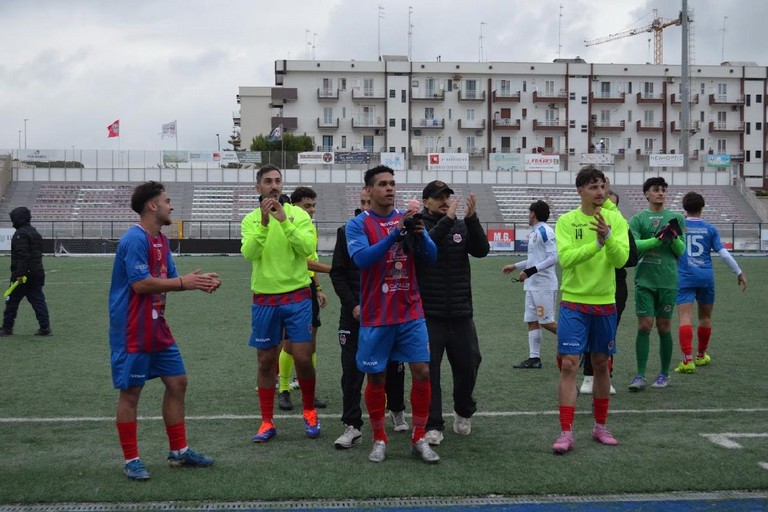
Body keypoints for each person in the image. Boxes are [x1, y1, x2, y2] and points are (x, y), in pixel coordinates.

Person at [109, 181, 221, 480]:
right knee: (131, 393)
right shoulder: (135, 239)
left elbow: (172, 279)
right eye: (167, 201)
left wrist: (200, 282)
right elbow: (140, 284)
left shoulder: (160, 240)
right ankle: (131, 459)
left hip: (157, 326)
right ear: (152, 206)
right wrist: (184, 282)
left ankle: (179, 451)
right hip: (133, 328)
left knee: (178, 382)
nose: (172, 206)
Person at [346, 165, 440, 464]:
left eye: (392, 184)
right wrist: (394, 236)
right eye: (382, 184)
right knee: (376, 379)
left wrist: (421, 235)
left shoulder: (408, 219)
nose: (389, 188)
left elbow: (432, 256)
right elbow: (362, 259)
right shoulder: (358, 225)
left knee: (423, 371)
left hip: (410, 311)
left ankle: (418, 437)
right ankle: (379, 438)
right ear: (369, 191)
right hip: (376, 316)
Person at [552, 165, 629, 454]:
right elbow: (566, 259)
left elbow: (621, 260)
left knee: (601, 364)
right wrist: (596, 244)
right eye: (593, 187)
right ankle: (566, 432)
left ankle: (600, 426)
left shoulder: (616, 219)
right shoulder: (566, 221)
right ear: (580, 190)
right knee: (570, 364)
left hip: (605, 302)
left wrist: (607, 238)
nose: (600, 192)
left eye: (603, 187)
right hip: (574, 301)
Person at [241, 165, 320, 443]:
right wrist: (264, 224)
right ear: (258, 187)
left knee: (302, 356)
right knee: (265, 361)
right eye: (267, 182)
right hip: (264, 298)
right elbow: (250, 253)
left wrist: (284, 221)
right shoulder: (251, 220)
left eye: (277, 181)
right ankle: (266, 422)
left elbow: (306, 249)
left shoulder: (299, 215)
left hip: (297, 295)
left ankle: (309, 411)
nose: (273, 186)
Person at [330, 189, 407, 450]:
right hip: (354, 314)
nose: (366, 207)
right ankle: (352, 426)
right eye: (362, 203)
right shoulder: (347, 232)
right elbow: (338, 274)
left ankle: (396, 409)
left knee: (393, 366)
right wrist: (353, 306)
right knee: (351, 370)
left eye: (368, 203)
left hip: (387, 311)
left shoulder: (394, 231)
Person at [415, 181, 489, 446]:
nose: (445, 200)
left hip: (460, 312)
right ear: (426, 202)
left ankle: (463, 410)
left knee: (470, 363)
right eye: (438, 197)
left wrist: (472, 220)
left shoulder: (460, 224)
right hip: (429, 313)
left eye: (447, 196)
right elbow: (424, 248)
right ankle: (433, 424)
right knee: (428, 371)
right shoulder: (418, 224)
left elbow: (482, 251)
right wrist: (448, 220)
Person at [674, 191, 747, 374]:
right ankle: (700, 355)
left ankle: (687, 360)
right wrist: (738, 272)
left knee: (685, 318)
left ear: (684, 208)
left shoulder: (678, 227)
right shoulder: (710, 228)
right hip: (706, 277)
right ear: (702, 208)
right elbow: (723, 254)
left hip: (684, 277)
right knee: (705, 317)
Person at [627, 177, 686, 391]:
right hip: (645, 280)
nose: (660, 193)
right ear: (646, 194)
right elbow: (633, 246)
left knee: (664, 327)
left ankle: (664, 374)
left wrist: (674, 239)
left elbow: (681, 251)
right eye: (655, 190)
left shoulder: (676, 218)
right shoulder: (638, 219)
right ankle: (640, 375)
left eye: (663, 190)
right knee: (644, 325)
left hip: (668, 281)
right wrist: (657, 240)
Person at [580, 190, 637, 394]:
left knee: (608, 333)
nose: (604, 208)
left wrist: (612, 246)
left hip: (616, 285)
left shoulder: (622, 226)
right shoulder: (584, 224)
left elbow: (631, 258)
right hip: (591, 283)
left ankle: (605, 376)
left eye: (611, 205)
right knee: (588, 330)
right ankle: (588, 376)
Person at [277, 186, 329, 411]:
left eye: (314, 206)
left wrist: (317, 287)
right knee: (290, 343)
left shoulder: (309, 227)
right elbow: (303, 261)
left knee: (311, 343)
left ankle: (311, 389)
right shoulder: (288, 225)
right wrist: (333, 269)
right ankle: (284, 388)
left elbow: (310, 259)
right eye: (307, 206)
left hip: (307, 286)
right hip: (291, 288)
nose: (312, 210)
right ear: (293, 207)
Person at [501, 200, 558, 370]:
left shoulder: (545, 231)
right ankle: (534, 358)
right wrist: (516, 266)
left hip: (543, 286)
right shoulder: (534, 232)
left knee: (547, 322)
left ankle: (580, 347)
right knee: (532, 320)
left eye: (528, 212)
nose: (528, 215)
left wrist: (530, 271)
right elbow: (536, 260)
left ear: (533, 213)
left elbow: (553, 258)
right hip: (533, 286)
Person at [0, 207, 51, 337]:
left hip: (23, 276)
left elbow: (23, 256)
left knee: (12, 301)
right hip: (37, 272)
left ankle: (7, 328)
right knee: (38, 300)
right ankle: (45, 327)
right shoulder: (35, 233)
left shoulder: (20, 235)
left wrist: (19, 275)